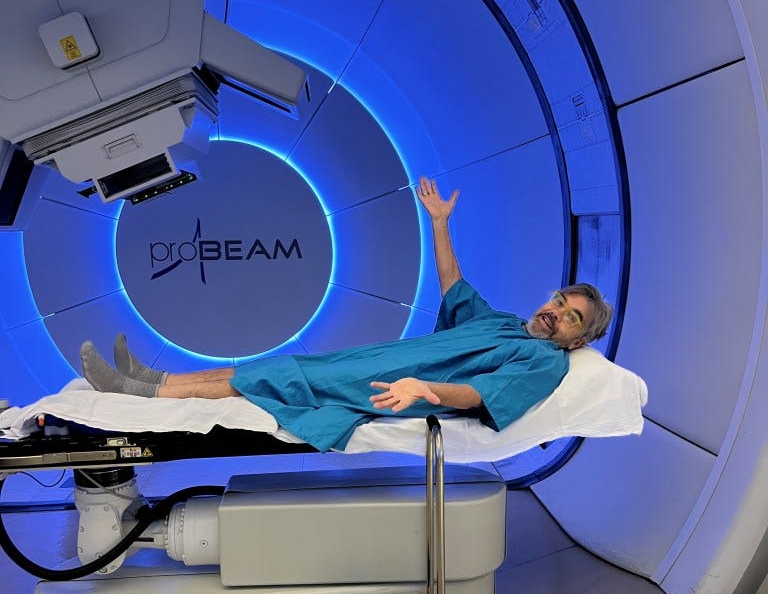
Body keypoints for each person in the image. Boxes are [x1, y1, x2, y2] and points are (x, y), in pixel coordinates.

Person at [80, 177, 613, 452]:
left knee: (278, 374)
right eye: (559, 302)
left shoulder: (545, 363)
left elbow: (482, 395)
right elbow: (452, 285)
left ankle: (141, 395)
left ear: (575, 340)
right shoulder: (499, 323)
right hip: (377, 360)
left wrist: (428, 391)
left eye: (570, 318)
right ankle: (155, 377)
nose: (556, 313)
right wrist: (440, 223)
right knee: (280, 366)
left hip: (393, 385)